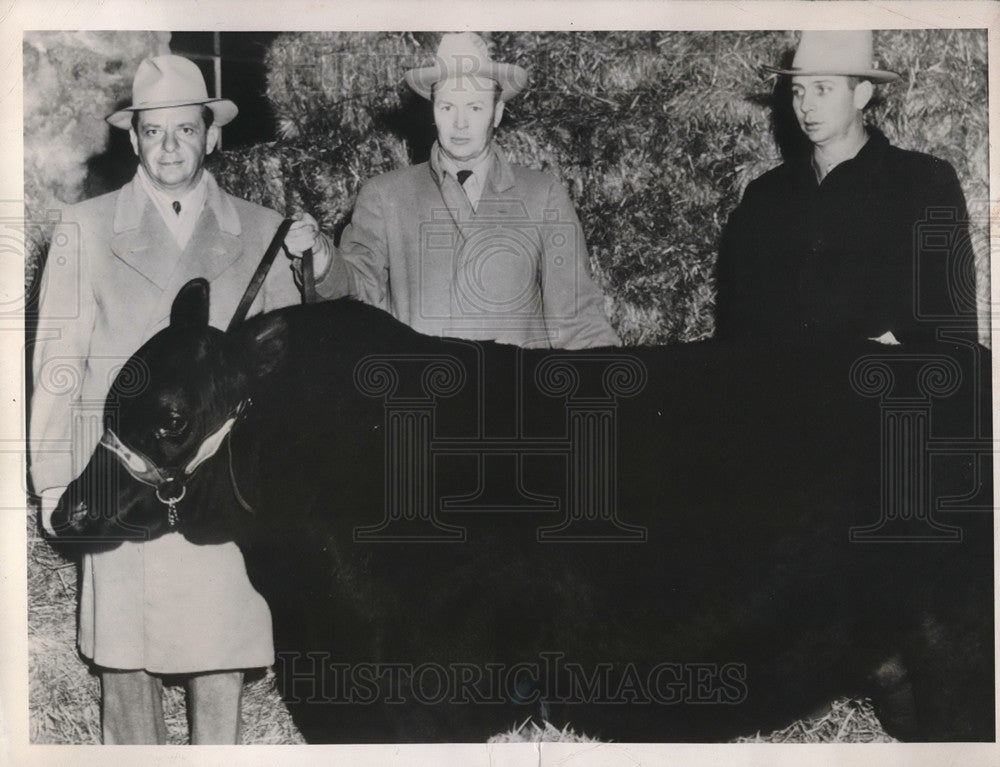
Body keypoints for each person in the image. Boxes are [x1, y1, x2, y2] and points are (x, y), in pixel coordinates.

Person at [29, 54, 320, 744]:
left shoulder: (261, 229)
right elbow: (58, 370)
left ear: (209, 136)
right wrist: (50, 480)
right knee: (127, 673)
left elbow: (286, 365)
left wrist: (309, 269)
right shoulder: (85, 227)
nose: (168, 146)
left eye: (184, 130)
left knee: (218, 665)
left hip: (217, 487)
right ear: (133, 139)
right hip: (121, 481)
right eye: (153, 131)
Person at [294, 32, 619, 349]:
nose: (460, 123)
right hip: (423, 391)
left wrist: (611, 384)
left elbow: (576, 316)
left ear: (497, 113)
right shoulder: (385, 195)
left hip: (517, 396)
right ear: (432, 111)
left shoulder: (542, 194)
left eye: (475, 108)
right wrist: (322, 259)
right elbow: (357, 295)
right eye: (448, 107)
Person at [716, 30, 978, 345]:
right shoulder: (765, 194)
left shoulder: (925, 181)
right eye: (798, 91)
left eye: (822, 89)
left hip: (879, 384)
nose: (805, 106)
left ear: (861, 95)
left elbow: (952, 322)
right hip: (780, 384)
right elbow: (737, 321)